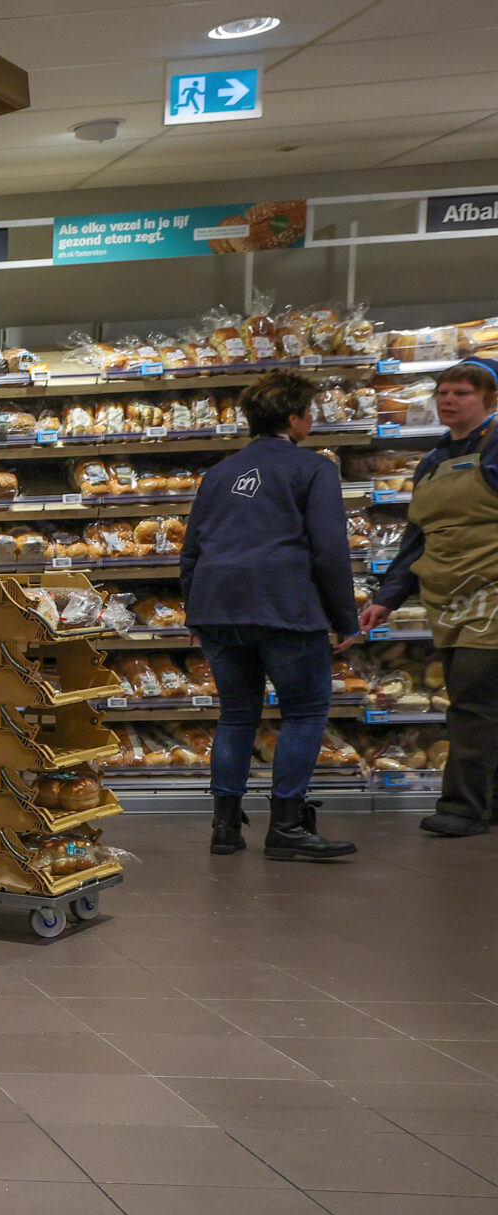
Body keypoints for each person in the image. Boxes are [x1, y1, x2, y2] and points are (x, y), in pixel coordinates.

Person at [180, 371, 362, 859]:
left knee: (237, 716)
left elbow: (191, 550)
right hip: (285, 606)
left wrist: (196, 614)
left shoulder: (218, 474)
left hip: (218, 607)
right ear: (293, 418)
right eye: (309, 411)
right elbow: (329, 551)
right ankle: (286, 825)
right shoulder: (313, 469)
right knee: (303, 712)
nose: (311, 420)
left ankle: (225, 828)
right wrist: (345, 618)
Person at [360, 357, 498, 837]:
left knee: (474, 702)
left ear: (489, 400)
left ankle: (464, 808)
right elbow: (415, 539)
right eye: (443, 392)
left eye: (462, 393)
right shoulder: (434, 459)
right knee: (472, 698)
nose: (448, 400)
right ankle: (485, 802)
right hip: (447, 596)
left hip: (491, 593)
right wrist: (388, 598)